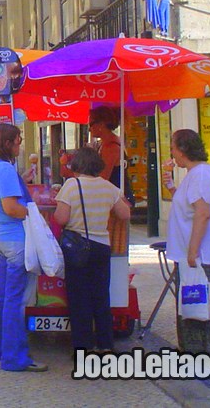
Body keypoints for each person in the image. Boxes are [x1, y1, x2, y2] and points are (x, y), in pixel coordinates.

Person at [0, 123, 47, 372]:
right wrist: (32, 212)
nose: (20, 145)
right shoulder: (5, 170)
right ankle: (15, 357)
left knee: (3, 295)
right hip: (16, 240)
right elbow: (11, 208)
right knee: (15, 300)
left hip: (0, 236)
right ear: (7, 143)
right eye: (17, 141)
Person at [53, 146, 130, 353]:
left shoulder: (71, 185)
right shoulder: (108, 186)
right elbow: (125, 214)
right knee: (101, 297)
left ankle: (83, 347)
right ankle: (105, 345)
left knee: (79, 299)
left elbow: (61, 218)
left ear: (77, 164)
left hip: (77, 248)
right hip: (102, 247)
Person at [165, 129, 210, 355]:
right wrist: (171, 185)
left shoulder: (200, 174)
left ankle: (205, 353)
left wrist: (192, 252)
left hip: (201, 257)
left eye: (173, 147)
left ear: (183, 150)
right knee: (192, 307)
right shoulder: (194, 175)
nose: (171, 153)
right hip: (192, 256)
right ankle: (193, 352)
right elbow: (189, 207)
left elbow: (202, 213)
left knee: (202, 309)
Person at [88, 106, 134, 206]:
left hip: (118, 201)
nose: (89, 129)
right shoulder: (103, 144)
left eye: (91, 124)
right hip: (113, 199)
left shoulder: (111, 147)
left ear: (101, 124)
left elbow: (103, 178)